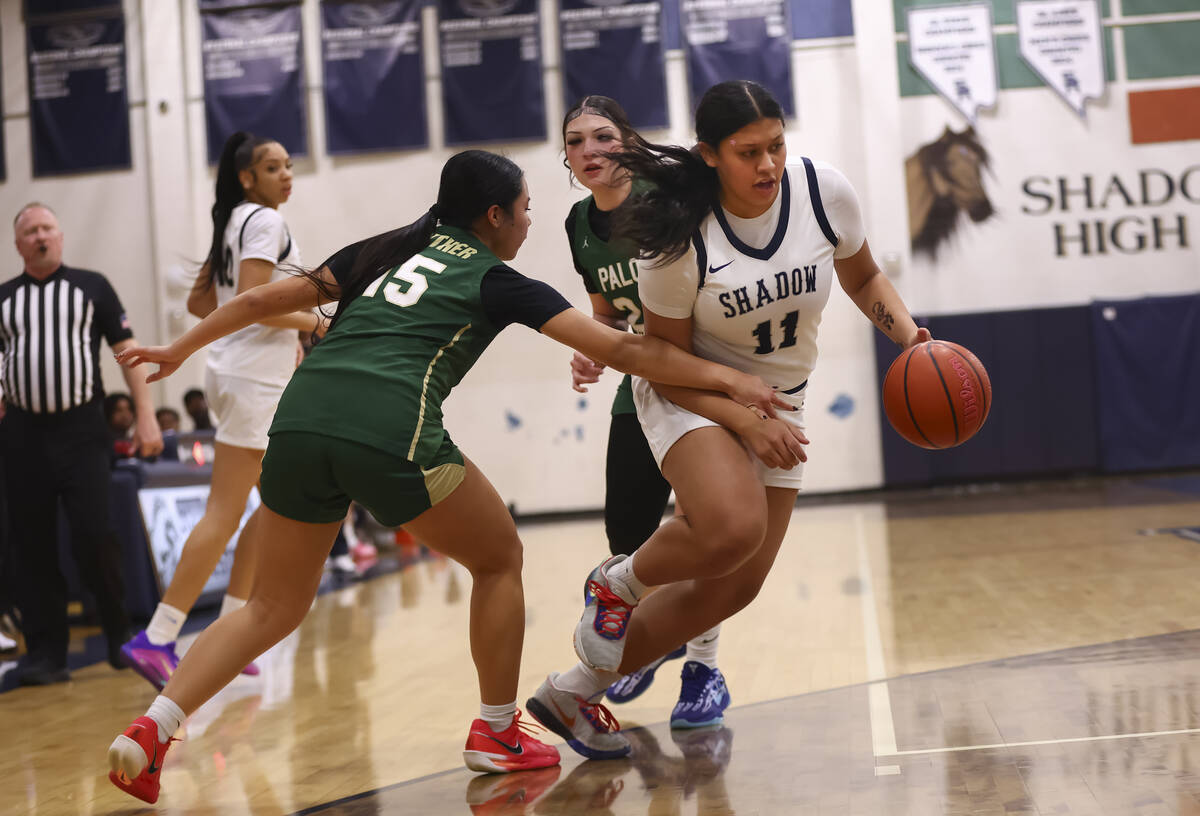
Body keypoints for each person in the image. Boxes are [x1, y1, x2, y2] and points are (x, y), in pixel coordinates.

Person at [104, 149, 789, 804]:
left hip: (299, 422)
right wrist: (731, 377)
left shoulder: (382, 250)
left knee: (270, 607)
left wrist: (176, 349)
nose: (528, 220)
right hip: (387, 429)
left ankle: (153, 726)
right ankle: (496, 729)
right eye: (523, 208)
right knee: (498, 558)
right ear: (492, 215)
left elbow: (255, 304)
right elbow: (620, 347)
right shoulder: (497, 278)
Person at [526, 80, 931, 758]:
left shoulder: (824, 193)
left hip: (781, 398)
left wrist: (912, 339)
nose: (768, 165)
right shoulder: (677, 237)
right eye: (749, 153)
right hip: (692, 391)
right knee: (732, 525)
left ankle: (571, 693)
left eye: (776, 146)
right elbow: (664, 362)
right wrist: (742, 419)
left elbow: (861, 279)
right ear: (711, 155)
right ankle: (616, 583)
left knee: (732, 587)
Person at [120, 131, 320, 691]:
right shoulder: (264, 222)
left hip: (245, 375)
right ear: (246, 177)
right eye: (272, 167)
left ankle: (233, 629)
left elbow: (201, 302)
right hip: (252, 378)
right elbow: (256, 308)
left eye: (288, 165)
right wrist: (318, 320)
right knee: (226, 510)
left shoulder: (233, 221)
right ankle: (158, 635)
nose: (286, 174)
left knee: (274, 498)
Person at [561, 95, 729, 726]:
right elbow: (606, 315)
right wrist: (590, 352)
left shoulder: (670, 198)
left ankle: (704, 669)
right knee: (627, 543)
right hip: (643, 380)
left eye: (602, 136)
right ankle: (666, 636)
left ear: (628, 142)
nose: (589, 151)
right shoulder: (580, 224)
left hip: (710, 371)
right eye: (575, 142)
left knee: (701, 528)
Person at [0, 202, 164, 686]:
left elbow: (128, 353)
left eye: (47, 227)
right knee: (31, 545)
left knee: (95, 536)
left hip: (82, 431)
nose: (39, 236)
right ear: (18, 245)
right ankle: (46, 653)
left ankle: (118, 638)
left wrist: (146, 416)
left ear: (62, 236)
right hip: (23, 436)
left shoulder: (92, 286)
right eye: (29, 231)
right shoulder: (4, 298)